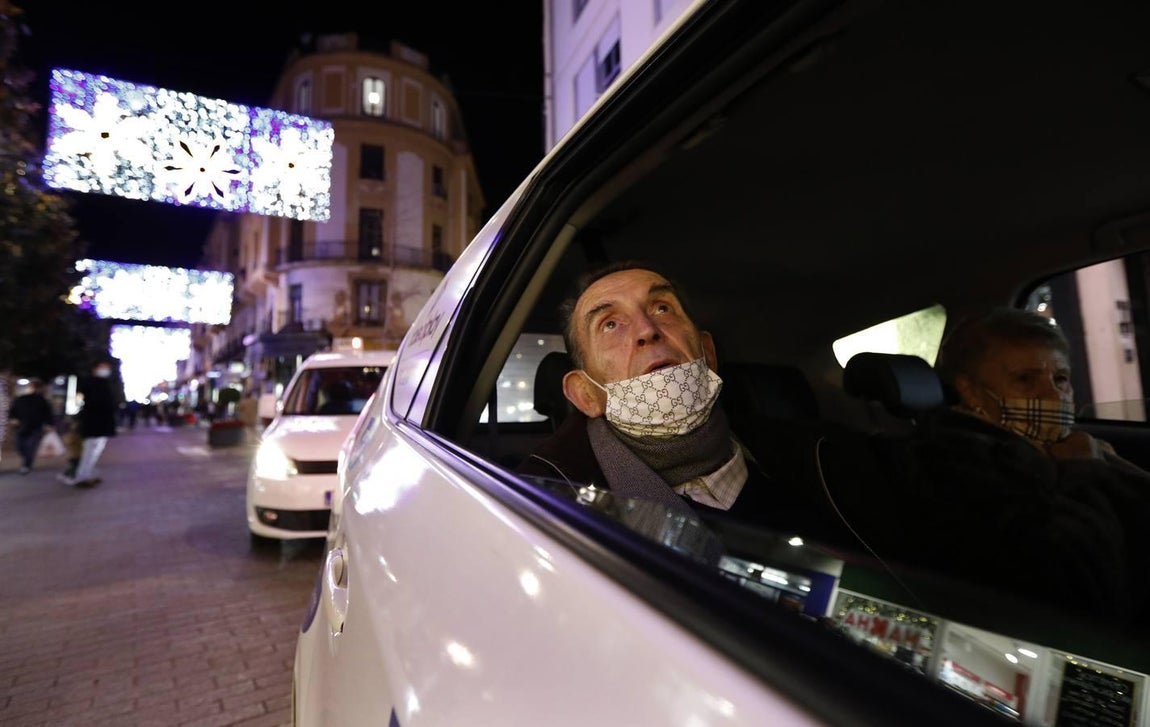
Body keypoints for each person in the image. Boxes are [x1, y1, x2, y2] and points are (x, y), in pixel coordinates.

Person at [897, 307, 1150, 624]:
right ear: (970, 391)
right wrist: (1084, 470)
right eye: (1025, 379)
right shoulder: (959, 463)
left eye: (1061, 379)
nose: (1053, 395)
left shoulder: (1054, 446)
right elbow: (1081, 582)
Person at [517, 262, 775, 524]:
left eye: (662, 308)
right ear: (586, 395)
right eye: (610, 325)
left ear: (708, 354)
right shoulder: (548, 503)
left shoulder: (808, 465)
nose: (647, 330)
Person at [63, 360, 120, 487]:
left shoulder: (105, 383)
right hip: (92, 420)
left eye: (107, 368)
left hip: (103, 421)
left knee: (96, 449)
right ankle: (82, 476)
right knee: (89, 449)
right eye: (103, 367)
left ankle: (87, 473)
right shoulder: (89, 382)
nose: (106, 370)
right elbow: (80, 398)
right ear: (95, 368)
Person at [8, 378, 55, 474]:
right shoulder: (21, 399)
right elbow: (13, 410)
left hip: (36, 427)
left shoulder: (42, 400)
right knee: (20, 446)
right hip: (21, 426)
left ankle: (26, 465)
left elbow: (48, 414)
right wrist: (13, 419)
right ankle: (26, 461)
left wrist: (49, 424)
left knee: (31, 447)